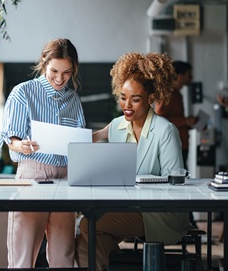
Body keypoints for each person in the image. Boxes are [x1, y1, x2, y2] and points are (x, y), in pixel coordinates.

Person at [75, 52, 190, 271]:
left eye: (135, 99)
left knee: (89, 226)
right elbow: (100, 143)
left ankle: (116, 263)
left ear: (151, 98)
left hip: (158, 211)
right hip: (127, 205)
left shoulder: (165, 131)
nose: (126, 105)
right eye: (122, 97)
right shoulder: (117, 125)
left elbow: (176, 184)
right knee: (82, 242)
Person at [0, 38, 86, 269]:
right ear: (44, 63)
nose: (60, 78)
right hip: (32, 175)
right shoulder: (23, 92)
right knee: (22, 258)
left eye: (67, 72)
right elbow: (10, 139)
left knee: (63, 256)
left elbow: (79, 143)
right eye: (54, 70)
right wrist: (19, 145)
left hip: (65, 178)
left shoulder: (73, 99)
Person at [154, 60, 198, 164]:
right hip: (172, 146)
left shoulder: (177, 94)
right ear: (179, 76)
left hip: (180, 144)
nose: (191, 78)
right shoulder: (168, 94)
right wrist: (185, 121)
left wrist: (190, 122)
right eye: (189, 75)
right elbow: (159, 119)